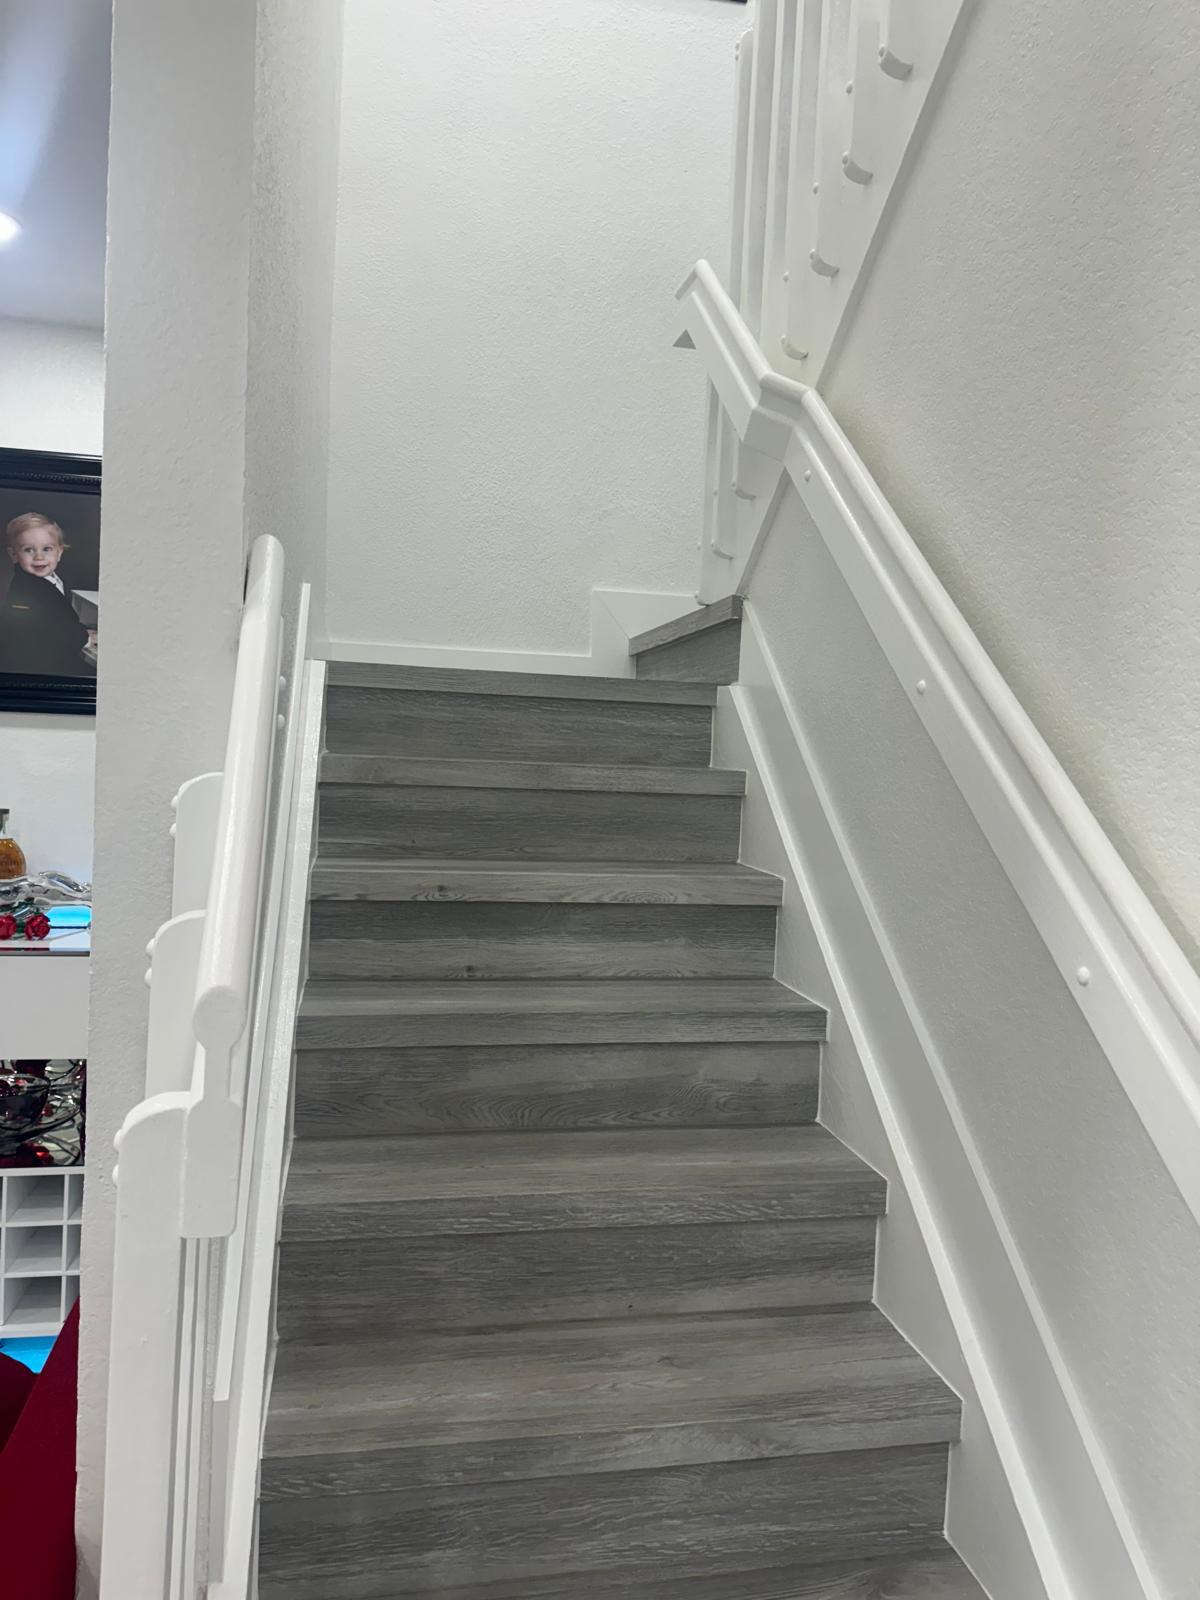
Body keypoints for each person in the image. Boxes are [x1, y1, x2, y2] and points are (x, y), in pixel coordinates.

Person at [0, 513, 93, 678]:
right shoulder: (27, 591)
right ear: (13, 554)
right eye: (28, 550)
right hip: (42, 667)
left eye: (47, 549)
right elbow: (52, 634)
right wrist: (85, 637)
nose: (39, 557)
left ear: (59, 552)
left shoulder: (47, 580)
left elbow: (59, 618)